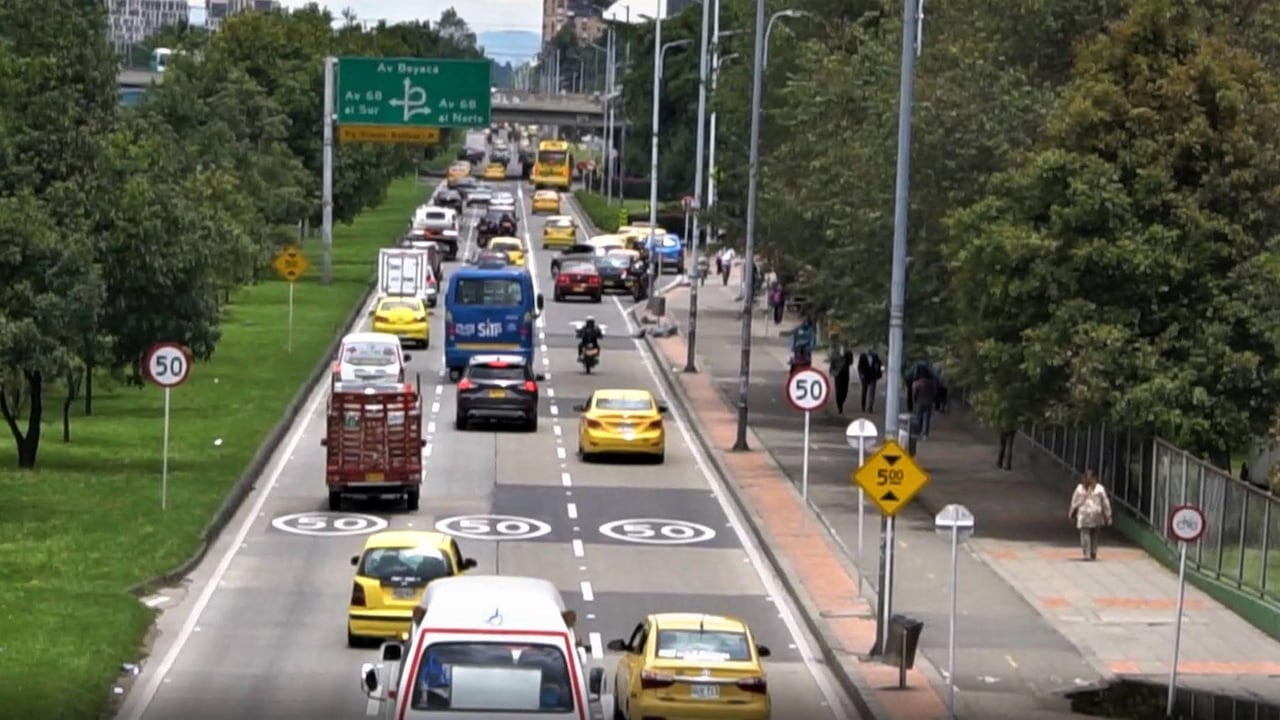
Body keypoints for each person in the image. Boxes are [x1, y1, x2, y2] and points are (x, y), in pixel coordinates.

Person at [1068, 469, 1112, 560]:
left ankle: (1090, 552)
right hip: (1088, 514)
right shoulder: (1083, 488)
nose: (1089, 480)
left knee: (1090, 534)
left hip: (1092, 515)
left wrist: (1108, 515)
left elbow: (1105, 503)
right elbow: (1074, 501)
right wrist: (1071, 513)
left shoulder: (1097, 489)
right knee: (1088, 534)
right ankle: (1090, 552)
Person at [830, 343, 854, 414]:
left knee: (845, 390)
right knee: (838, 390)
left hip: (845, 373)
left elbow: (851, 362)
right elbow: (832, 362)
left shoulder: (848, 353)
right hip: (837, 375)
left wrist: (847, 356)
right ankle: (839, 406)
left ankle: (842, 401)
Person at [911, 373, 936, 438]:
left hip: (920, 402)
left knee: (919, 417)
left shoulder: (918, 384)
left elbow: (915, 393)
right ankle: (925, 434)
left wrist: (915, 400)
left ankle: (918, 431)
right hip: (929, 402)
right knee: (927, 418)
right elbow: (934, 393)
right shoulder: (932, 384)